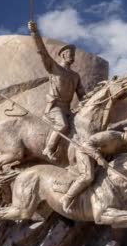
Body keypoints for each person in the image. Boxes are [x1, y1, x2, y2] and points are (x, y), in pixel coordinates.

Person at [28, 20, 86, 162]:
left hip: (68, 109)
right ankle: (49, 148)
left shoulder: (75, 76)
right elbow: (42, 53)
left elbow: (82, 95)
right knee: (63, 125)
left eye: (73, 53)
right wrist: (35, 33)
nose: (72, 55)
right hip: (54, 107)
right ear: (63, 55)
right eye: (69, 52)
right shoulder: (54, 68)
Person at [61, 129, 127, 212]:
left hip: (103, 158)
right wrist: (98, 157)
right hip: (85, 152)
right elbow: (86, 144)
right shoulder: (110, 135)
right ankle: (67, 198)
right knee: (88, 177)